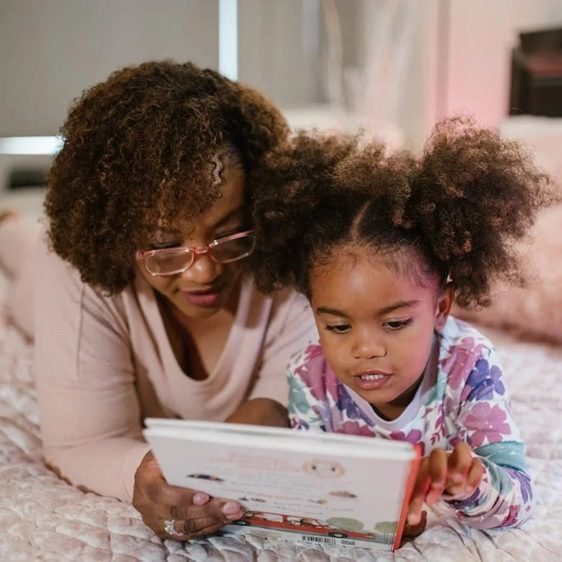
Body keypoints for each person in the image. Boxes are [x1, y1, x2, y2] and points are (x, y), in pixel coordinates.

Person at [0, 61, 318, 540]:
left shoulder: (285, 254)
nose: (204, 270)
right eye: (165, 245)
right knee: (26, 265)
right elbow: (83, 442)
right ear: (118, 234)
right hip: (41, 281)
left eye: (229, 232)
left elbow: (282, 398)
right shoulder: (76, 266)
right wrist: (142, 473)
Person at [250, 117, 553, 534]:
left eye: (394, 322)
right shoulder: (309, 374)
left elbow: (519, 500)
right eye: (338, 327)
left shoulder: (469, 365)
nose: (365, 348)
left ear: (442, 307)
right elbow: (311, 492)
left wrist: (471, 483)